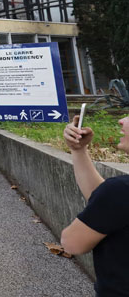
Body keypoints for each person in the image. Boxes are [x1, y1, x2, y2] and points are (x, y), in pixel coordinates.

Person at [60, 116, 129, 295]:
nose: (122, 120)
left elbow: (72, 244)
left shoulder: (119, 191)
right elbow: (107, 203)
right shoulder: (117, 193)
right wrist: (79, 150)